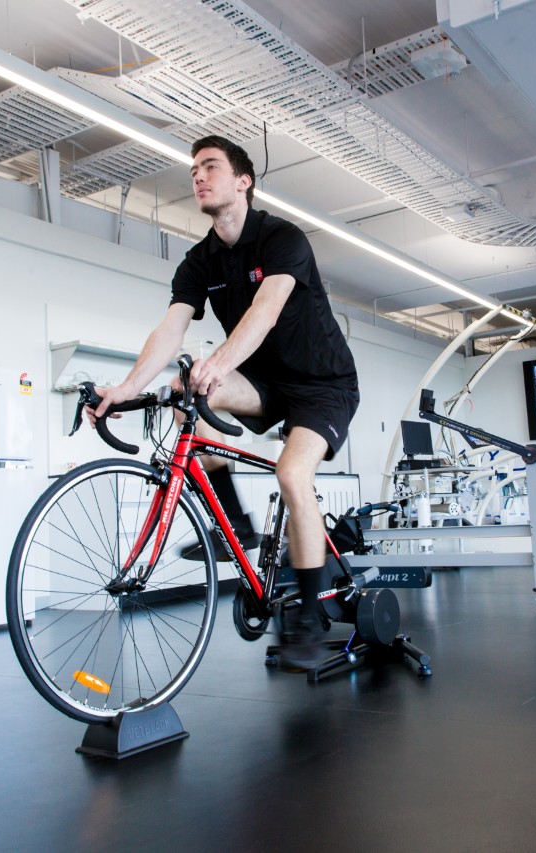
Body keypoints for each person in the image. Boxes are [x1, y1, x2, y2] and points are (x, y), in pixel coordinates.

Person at [86, 135, 359, 669]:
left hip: (323, 384)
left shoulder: (281, 238)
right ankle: (233, 526)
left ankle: (308, 616)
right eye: (194, 170)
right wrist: (124, 389)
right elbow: (169, 331)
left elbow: (266, 309)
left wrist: (219, 363)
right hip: (264, 382)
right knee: (184, 390)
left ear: (243, 181)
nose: (198, 176)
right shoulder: (199, 261)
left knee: (291, 474)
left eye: (210, 166)